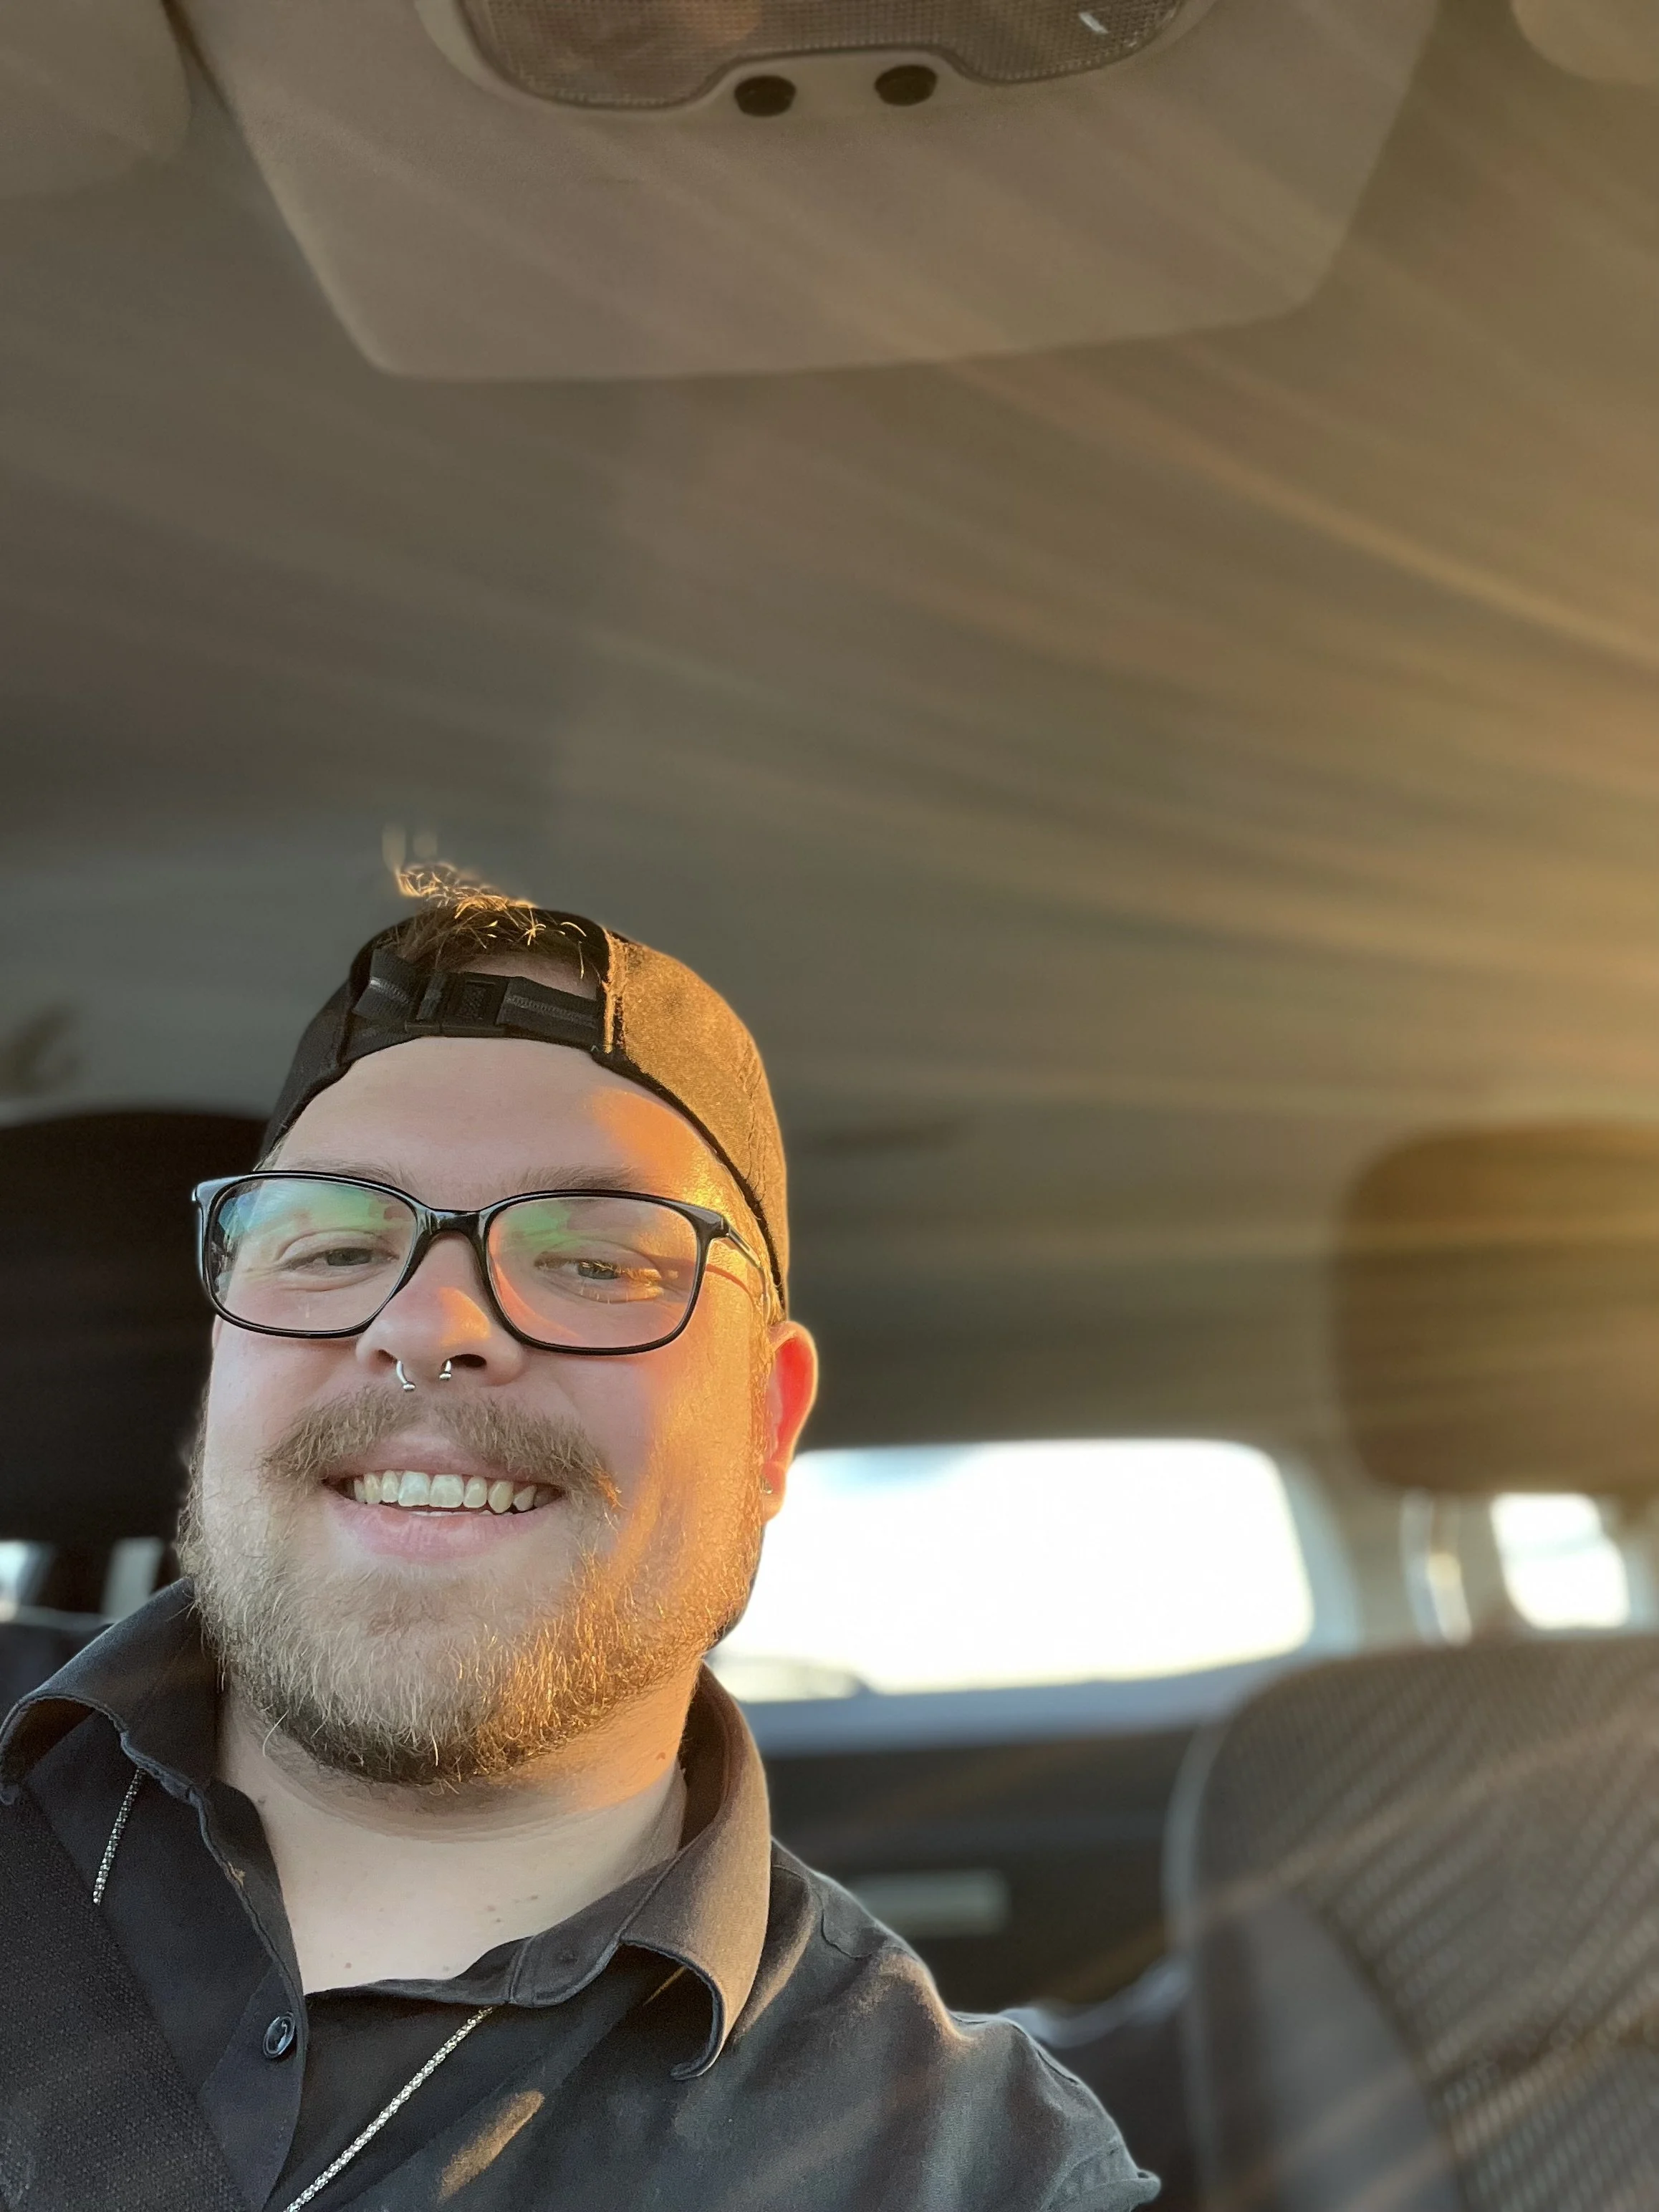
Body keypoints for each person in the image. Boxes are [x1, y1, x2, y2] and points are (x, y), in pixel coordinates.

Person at [0, 883, 1159, 2212]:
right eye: (326, 1244)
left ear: (768, 1430)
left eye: (598, 1264)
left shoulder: (970, 2175)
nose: (433, 1322)